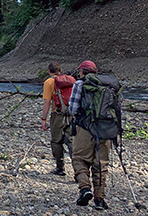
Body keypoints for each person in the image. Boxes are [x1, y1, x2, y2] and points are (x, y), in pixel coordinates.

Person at [69, 60, 110, 210]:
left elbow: (72, 109)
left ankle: (85, 189)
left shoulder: (79, 84)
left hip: (85, 128)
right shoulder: (107, 85)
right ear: (95, 72)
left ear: (81, 72)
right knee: (101, 164)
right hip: (105, 130)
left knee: (79, 158)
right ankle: (100, 199)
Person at [41, 62, 73, 176]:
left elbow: (47, 101)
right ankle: (79, 171)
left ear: (49, 71)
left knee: (56, 141)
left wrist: (44, 119)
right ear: (60, 70)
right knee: (71, 141)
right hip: (71, 114)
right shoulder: (71, 80)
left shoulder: (49, 82)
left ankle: (60, 168)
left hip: (57, 114)